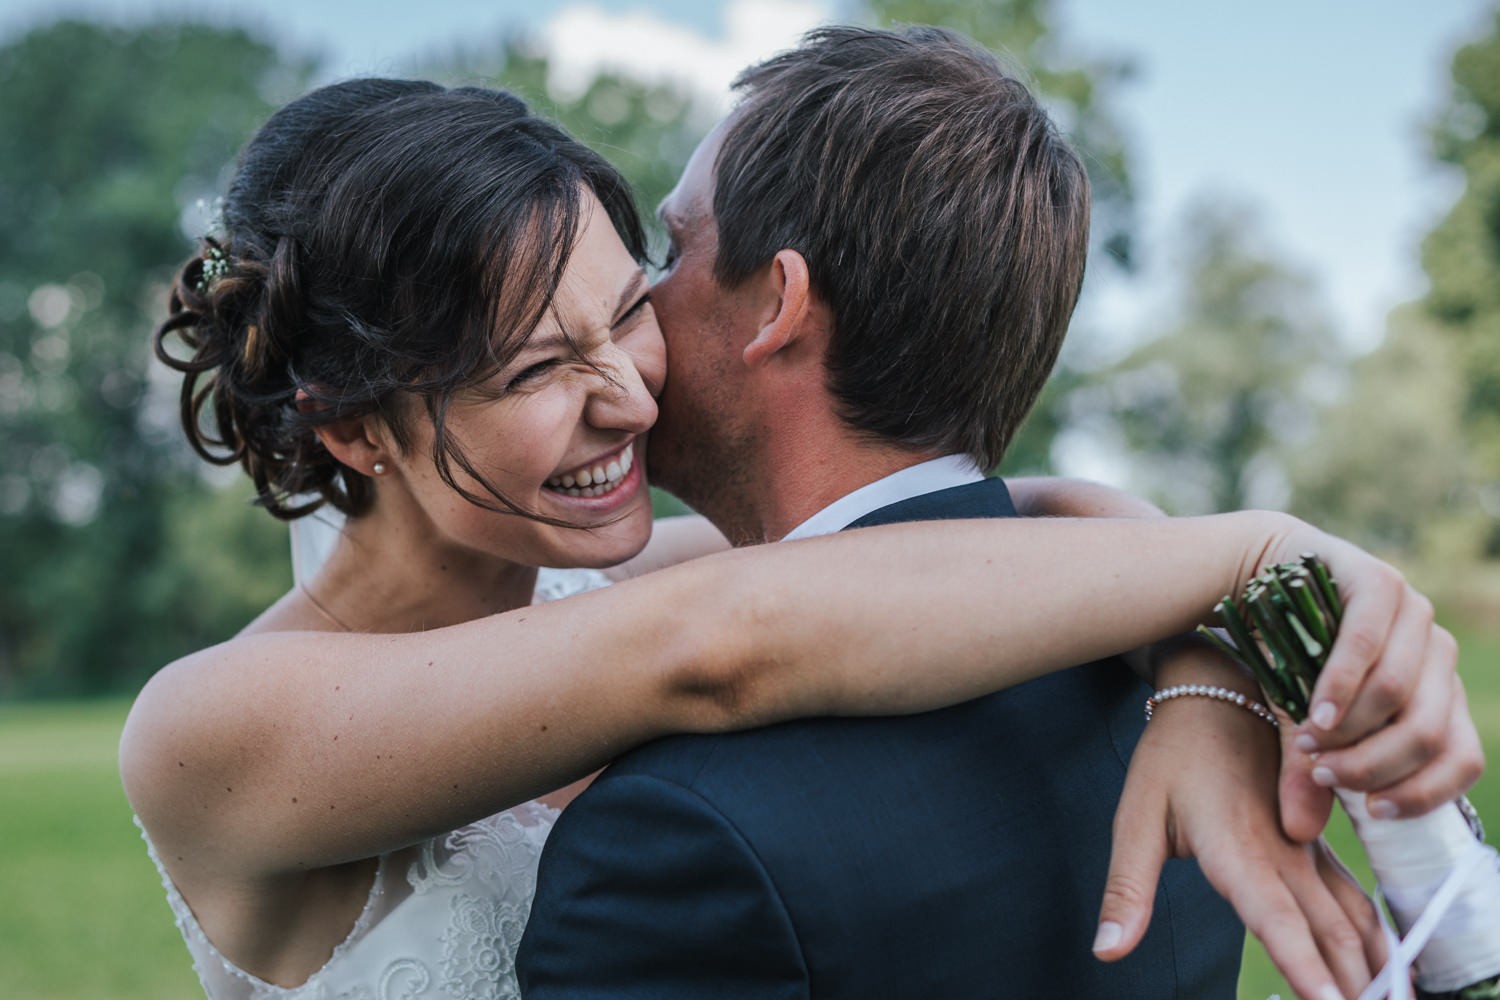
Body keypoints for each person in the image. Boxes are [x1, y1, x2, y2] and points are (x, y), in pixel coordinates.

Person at [120, 72, 1475, 1000]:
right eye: (538, 370)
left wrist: (1208, 671)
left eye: (626, 308)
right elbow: (720, 647)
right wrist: (1266, 554)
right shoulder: (212, 728)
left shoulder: (616, 579)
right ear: (349, 426)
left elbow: (1047, 511)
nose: (632, 391)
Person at [516, 25, 1480, 1000]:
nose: (641, 296)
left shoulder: (675, 836)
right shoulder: (1180, 702)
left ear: (777, 303)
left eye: (676, 248)